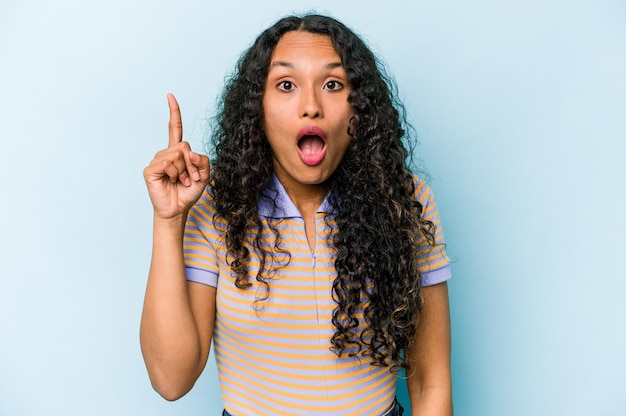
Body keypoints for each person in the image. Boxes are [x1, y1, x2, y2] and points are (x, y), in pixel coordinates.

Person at [141, 14, 452, 416]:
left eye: (333, 85)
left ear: (359, 109)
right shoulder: (215, 205)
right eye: (286, 85)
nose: (311, 106)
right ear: (259, 108)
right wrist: (168, 221)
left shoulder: (405, 200)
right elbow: (171, 379)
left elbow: (430, 381)